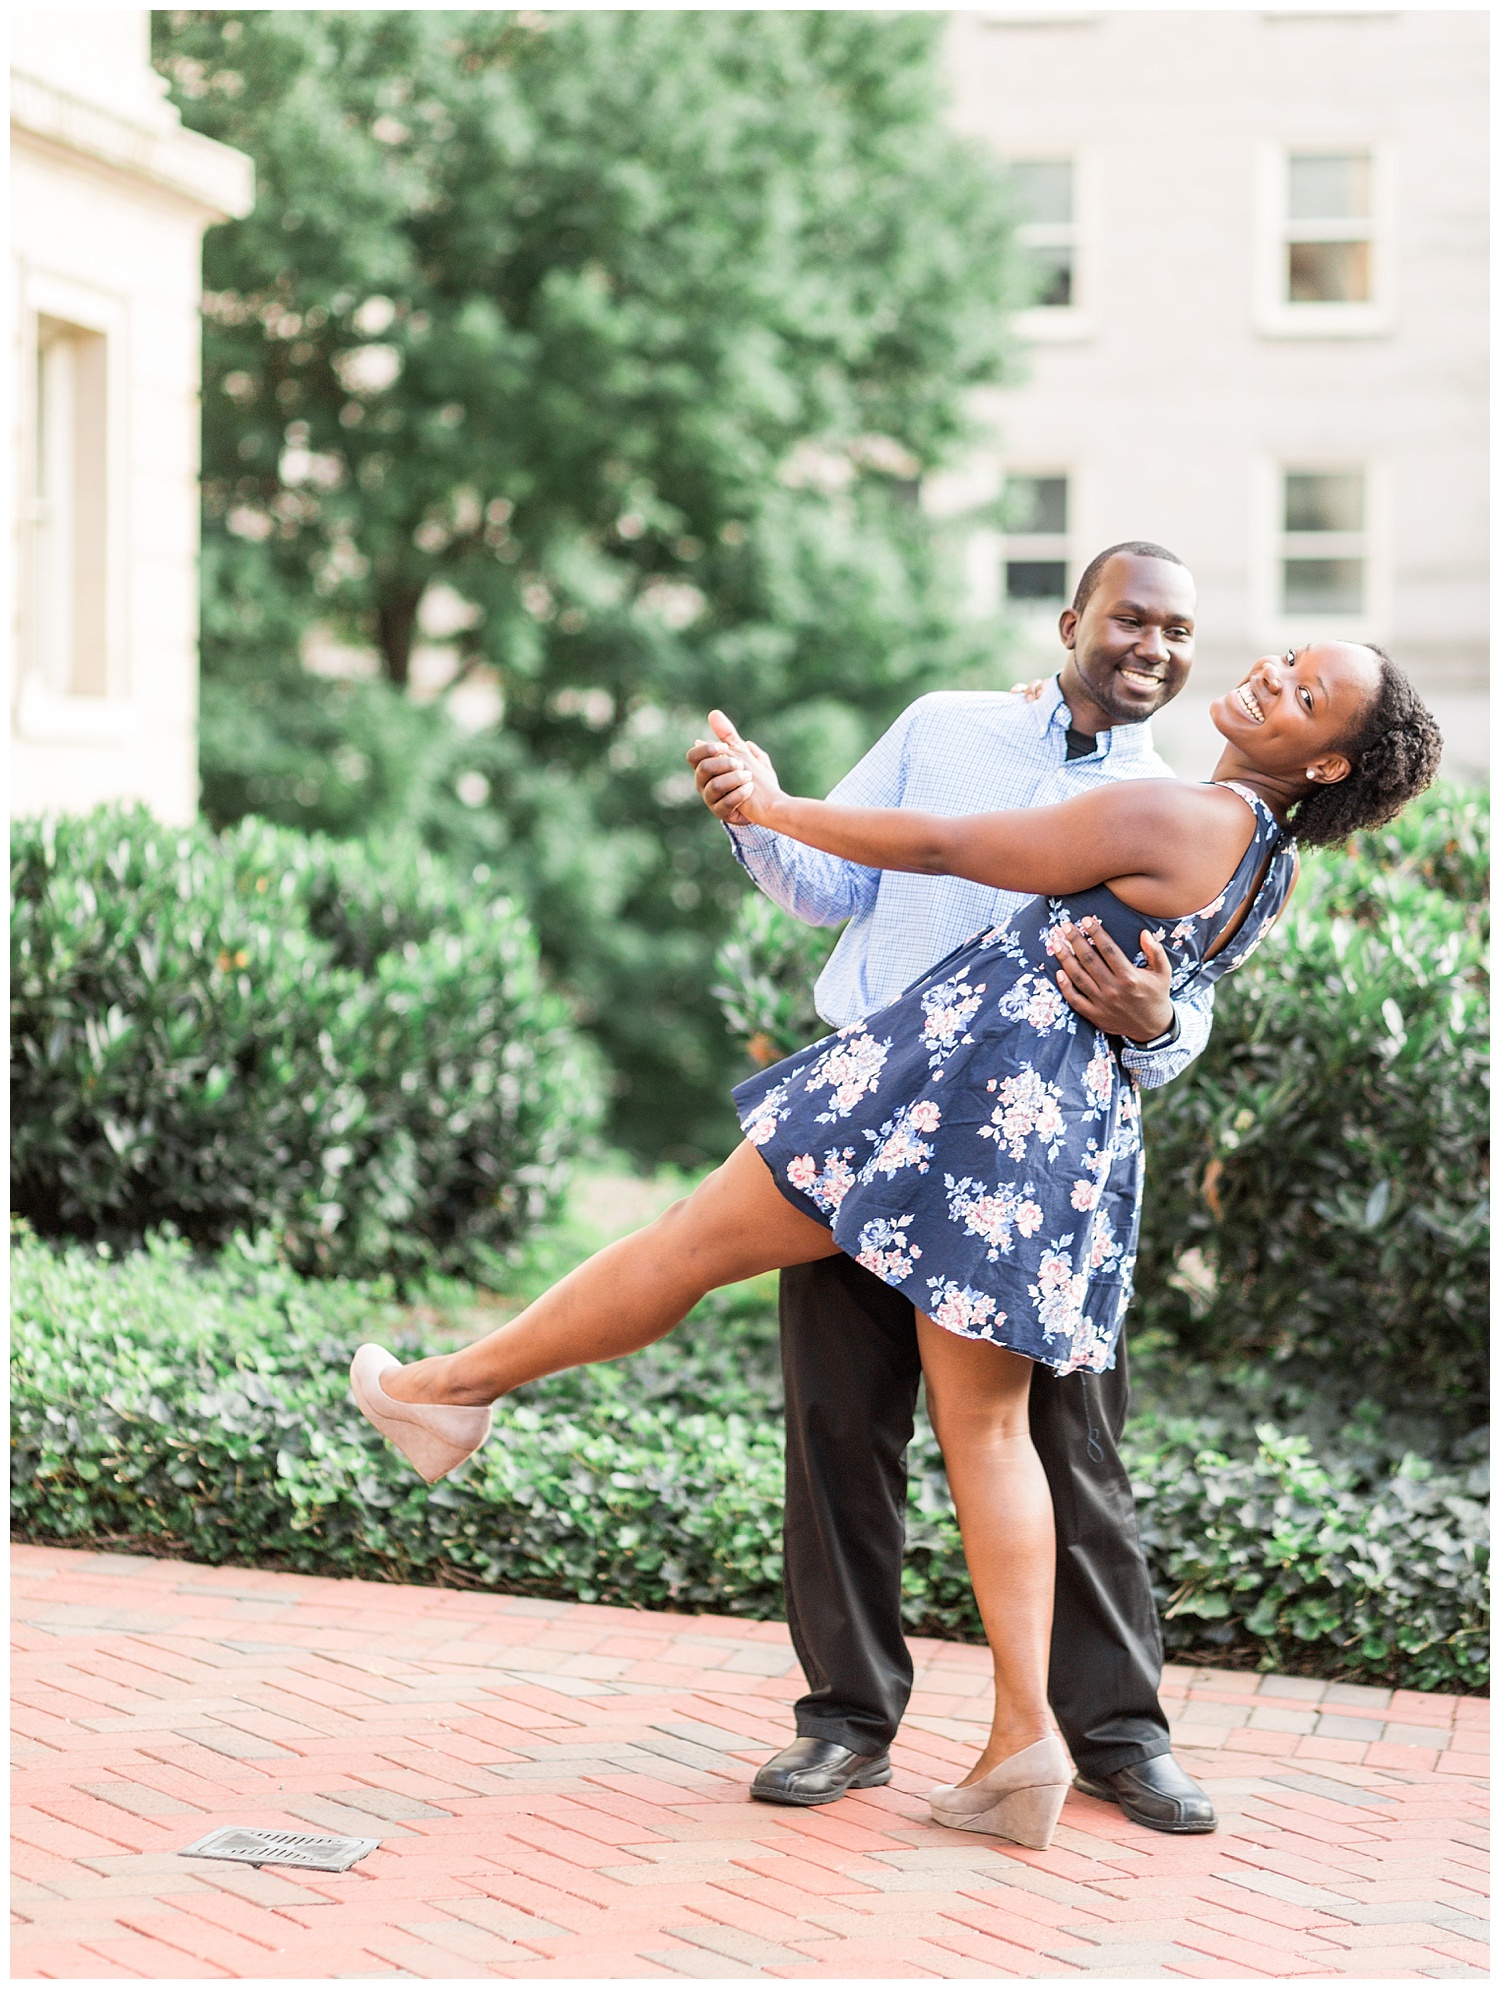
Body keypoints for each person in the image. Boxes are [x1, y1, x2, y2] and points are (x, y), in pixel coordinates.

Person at [349, 632, 1440, 1854]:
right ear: (1075, 625)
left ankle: (446, 1392)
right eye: (1287, 659)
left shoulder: (1182, 812)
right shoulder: (1261, 859)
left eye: (1304, 695)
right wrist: (773, 826)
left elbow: (946, 847)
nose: (1267, 679)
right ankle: (1018, 1744)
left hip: (944, 1098)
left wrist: (775, 801)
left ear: (1334, 763)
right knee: (984, 1430)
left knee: (683, 1250)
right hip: (1035, 1135)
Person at [693, 541, 1228, 1835]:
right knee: (837, 1434)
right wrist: (749, 809)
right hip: (868, 1135)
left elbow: (1189, 1013)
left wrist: (1158, 1016)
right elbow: (832, 882)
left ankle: (1115, 1735)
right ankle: (847, 1723)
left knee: (1071, 1451)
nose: (1150, 645)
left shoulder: (1189, 812)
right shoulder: (946, 730)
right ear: (1071, 621)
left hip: (1031, 1182)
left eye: (1175, 630)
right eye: (1129, 619)